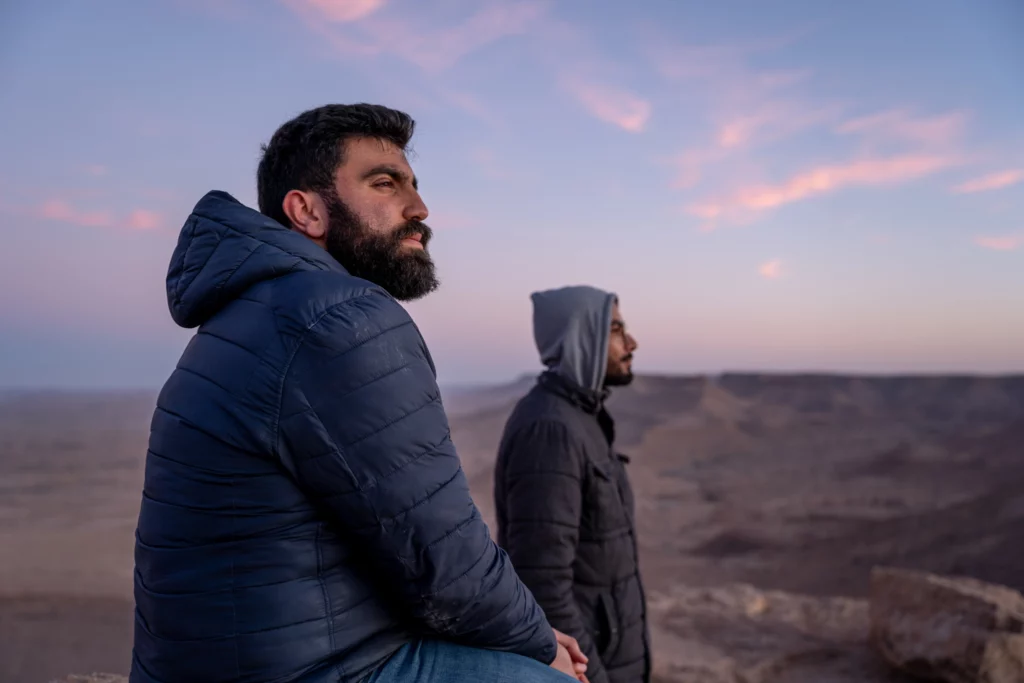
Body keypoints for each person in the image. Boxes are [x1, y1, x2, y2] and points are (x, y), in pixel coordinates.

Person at [130, 104, 588, 683]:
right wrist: (539, 642)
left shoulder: (255, 313)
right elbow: (442, 556)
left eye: (414, 186)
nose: (420, 210)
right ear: (308, 211)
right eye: (384, 183)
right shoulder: (339, 317)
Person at [493, 286, 650, 683]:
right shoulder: (550, 429)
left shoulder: (582, 418)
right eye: (615, 329)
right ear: (583, 336)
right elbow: (543, 583)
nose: (631, 342)